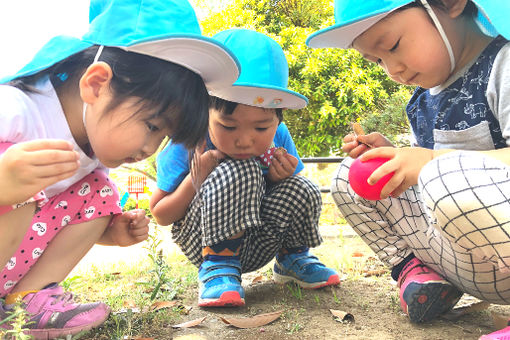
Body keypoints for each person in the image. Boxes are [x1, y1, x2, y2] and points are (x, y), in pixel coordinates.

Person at [0, 0, 240, 338]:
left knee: (100, 193)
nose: (150, 148)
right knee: (20, 168)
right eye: (153, 126)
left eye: (164, 136)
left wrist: (111, 234)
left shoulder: (93, 156)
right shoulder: (15, 109)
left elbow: (65, 215)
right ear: (97, 84)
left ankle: (24, 302)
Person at [307, 0, 510, 338]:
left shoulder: (503, 66)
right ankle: (419, 275)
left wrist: (429, 162)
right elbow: (425, 177)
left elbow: (438, 171)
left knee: (443, 177)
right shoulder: (421, 100)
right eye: (378, 60)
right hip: (464, 260)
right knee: (354, 172)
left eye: (392, 46)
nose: (392, 69)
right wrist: (398, 158)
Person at [150, 28, 340, 308]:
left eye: (262, 127)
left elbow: (290, 199)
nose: (244, 139)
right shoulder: (187, 140)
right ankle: (217, 267)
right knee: (241, 169)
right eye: (228, 126)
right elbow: (161, 215)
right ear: (205, 112)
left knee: (301, 186)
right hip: (202, 241)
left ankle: (292, 258)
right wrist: (195, 178)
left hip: (258, 240)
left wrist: (278, 179)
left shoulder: (280, 137)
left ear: (278, 119)